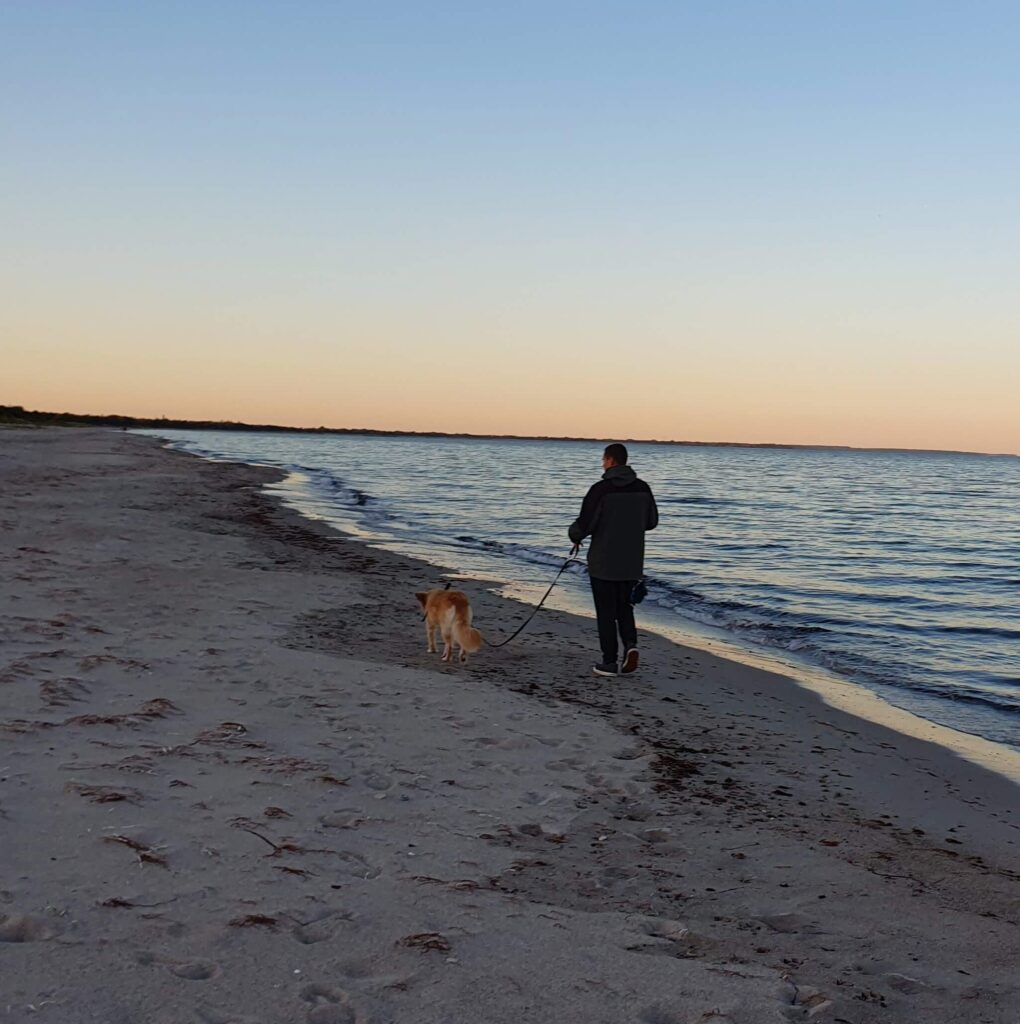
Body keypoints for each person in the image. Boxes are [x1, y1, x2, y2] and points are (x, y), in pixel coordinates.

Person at [568, 442, 658, 676]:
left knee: (606, 612)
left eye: (604, 460)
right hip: (631, 562)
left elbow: (585, 523)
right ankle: (631, 645)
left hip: (603, 561)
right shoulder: (643, 488)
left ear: (610, 460)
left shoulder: (601, 489)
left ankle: (609, 661)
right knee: (625, 608)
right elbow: (652, 522)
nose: (602, 464)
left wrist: (574, 536)